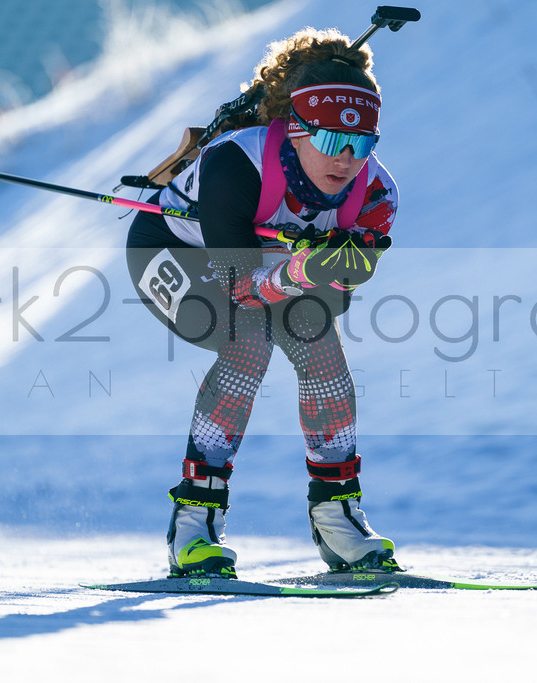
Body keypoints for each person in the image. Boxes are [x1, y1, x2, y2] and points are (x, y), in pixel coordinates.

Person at [126, 27, 400, 578]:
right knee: (246, 343)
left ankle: (337, 515)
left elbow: (329, 301)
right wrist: (306, 268)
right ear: (293, 130)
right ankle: (194, 522)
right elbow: (241, 289)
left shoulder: (376, 193)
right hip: (172, 252)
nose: (345, 159)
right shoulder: (237, 163)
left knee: (321, 347)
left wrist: (327, 274)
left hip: (268, 269)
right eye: (328, 141)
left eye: (361, 143)